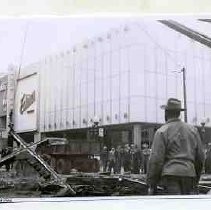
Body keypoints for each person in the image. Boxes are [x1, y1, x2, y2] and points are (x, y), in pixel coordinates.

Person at [147, 98, 204, 195]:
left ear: (166, 113)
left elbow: (156, 160)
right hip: (189, 174)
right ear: (179, 113)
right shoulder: (193, 131)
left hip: (170, 176)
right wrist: (196, 178)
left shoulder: (162, 131)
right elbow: (200, 158)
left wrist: (152, 184)